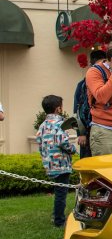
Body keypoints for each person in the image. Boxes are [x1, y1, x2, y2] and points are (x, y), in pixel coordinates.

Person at [35, 95, 77, 228]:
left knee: (58, 190)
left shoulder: (42, 125)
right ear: (58, 108)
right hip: (61, 164)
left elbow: (39, 141)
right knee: (61, 193)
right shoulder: (60, 124)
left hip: (50, 163)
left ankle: (56, 216)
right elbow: (63, 142)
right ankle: (59, 221)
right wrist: (73, 149)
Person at [73, 49, 106, 158]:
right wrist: (81, 133)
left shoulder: (109, 81)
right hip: (88, 132)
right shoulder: (82, 84)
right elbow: (78, 110)